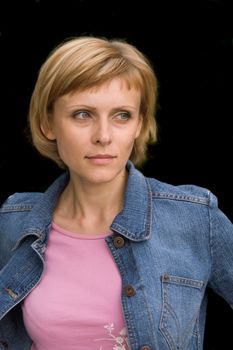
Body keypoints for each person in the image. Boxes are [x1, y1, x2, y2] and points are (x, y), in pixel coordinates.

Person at [0, 35, 232, 350]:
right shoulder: (13, 221)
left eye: (122, 115)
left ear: (139, 124)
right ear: (47, 123)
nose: (104, 136)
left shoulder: (194, 218)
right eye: (82, 114)